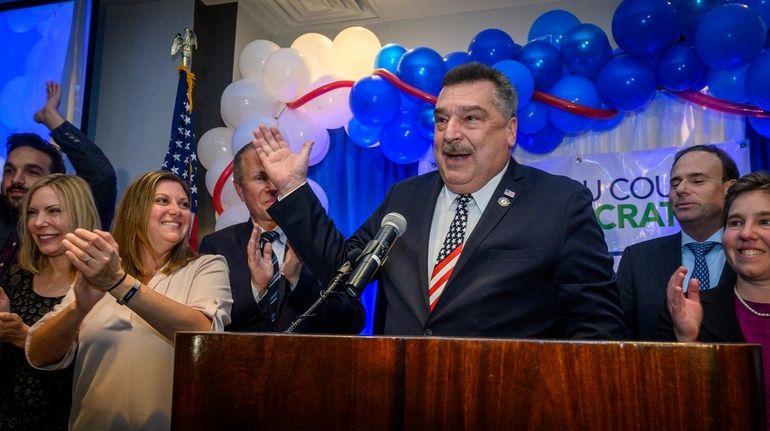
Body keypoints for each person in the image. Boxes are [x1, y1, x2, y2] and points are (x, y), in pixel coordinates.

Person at [255, 62, 623, 338]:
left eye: (471, 119)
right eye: (442, 120)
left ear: (510, 131)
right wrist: (293, 187)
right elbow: (343, 268)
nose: (451, 134)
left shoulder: (558, 202)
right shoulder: (406, 197)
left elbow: (596, 324)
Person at [26, 170, 232, 430]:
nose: (177, 210)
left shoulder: (206, 267)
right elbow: (38, 355)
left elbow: (204, 335)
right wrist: (79, 308)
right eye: (162, 201)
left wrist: (118, 283)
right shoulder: (98, 271)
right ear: (135, 210)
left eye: (184, 204)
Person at [199, 144, 364, 332]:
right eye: (261, 178)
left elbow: (352, 321)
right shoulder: (217, 246)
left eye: (277, 176)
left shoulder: (320, 242)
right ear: (239, 190)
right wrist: (256, 290)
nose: (272, 187)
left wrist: (297, 280)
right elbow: (207, 325)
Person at [661, 171, 770, 420]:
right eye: (735, 222)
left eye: (765, 221)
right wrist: (687, 341)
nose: (746, 233)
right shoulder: (690, 312)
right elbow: (666, 410)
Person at [0, 174, 99, 430]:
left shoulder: (99, 287)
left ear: (80, 214)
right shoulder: (16, 276)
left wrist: (24, 336)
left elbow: (96, 364)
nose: (39, 223)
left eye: (53, 211)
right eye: (32, 213)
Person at [617, 145, 739, 340]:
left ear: (729, 189)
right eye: (675, 183)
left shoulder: (754, 252)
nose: (681, 189)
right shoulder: (638, 259)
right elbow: (621, 339)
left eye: (697, 180)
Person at [1, 81, 117, 280]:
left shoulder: (74, 222)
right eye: (9, 170)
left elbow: (102, 176)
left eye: (32, 171)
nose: (16, 179)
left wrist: (52, 119)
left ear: (54, 181)